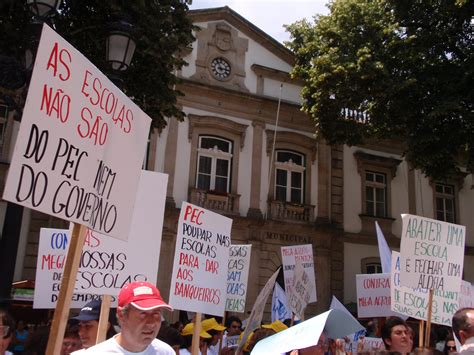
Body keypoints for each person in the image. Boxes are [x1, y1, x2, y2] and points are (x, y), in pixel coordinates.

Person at [84, 281, 175, 354]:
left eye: (156, 314)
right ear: (121, 315)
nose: (151, 323)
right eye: (143, 313)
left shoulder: (166, 352)